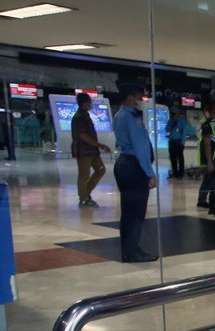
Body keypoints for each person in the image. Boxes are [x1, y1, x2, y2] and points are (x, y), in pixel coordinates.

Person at [111, 80, 157, 263]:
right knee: (136, 213)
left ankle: (129, 249)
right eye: (139, 97)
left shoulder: (119, 116)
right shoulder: (131, 118)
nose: (141, 100)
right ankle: (132, 251)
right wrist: (149, 173)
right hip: (133, 166)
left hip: (125, 164)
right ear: (130, 98)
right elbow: (141, 149)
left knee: (128, 212)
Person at [71, 92, 110, 207]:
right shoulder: (79, 117)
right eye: (89, 102)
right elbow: (82, 135)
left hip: (92, 151)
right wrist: (99, 145)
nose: (90, 104)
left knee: (101, 170)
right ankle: (83, 199)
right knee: (84, 174)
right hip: (84, 151)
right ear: (84, 103)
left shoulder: (85, 115)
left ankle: (86, 193)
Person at [165, 107, 187, 179]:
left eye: (175, 114)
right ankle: (175, 173)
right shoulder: (170, 121)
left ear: (178, 114)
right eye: (172, 114)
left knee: (180, 158)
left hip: (178, 142)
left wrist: (182, 143)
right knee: (172, 158)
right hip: (172, 141)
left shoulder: (181, 122)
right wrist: (172, 125)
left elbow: (183, 133)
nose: (174, 116)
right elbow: (167, 129)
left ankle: (181, 173)